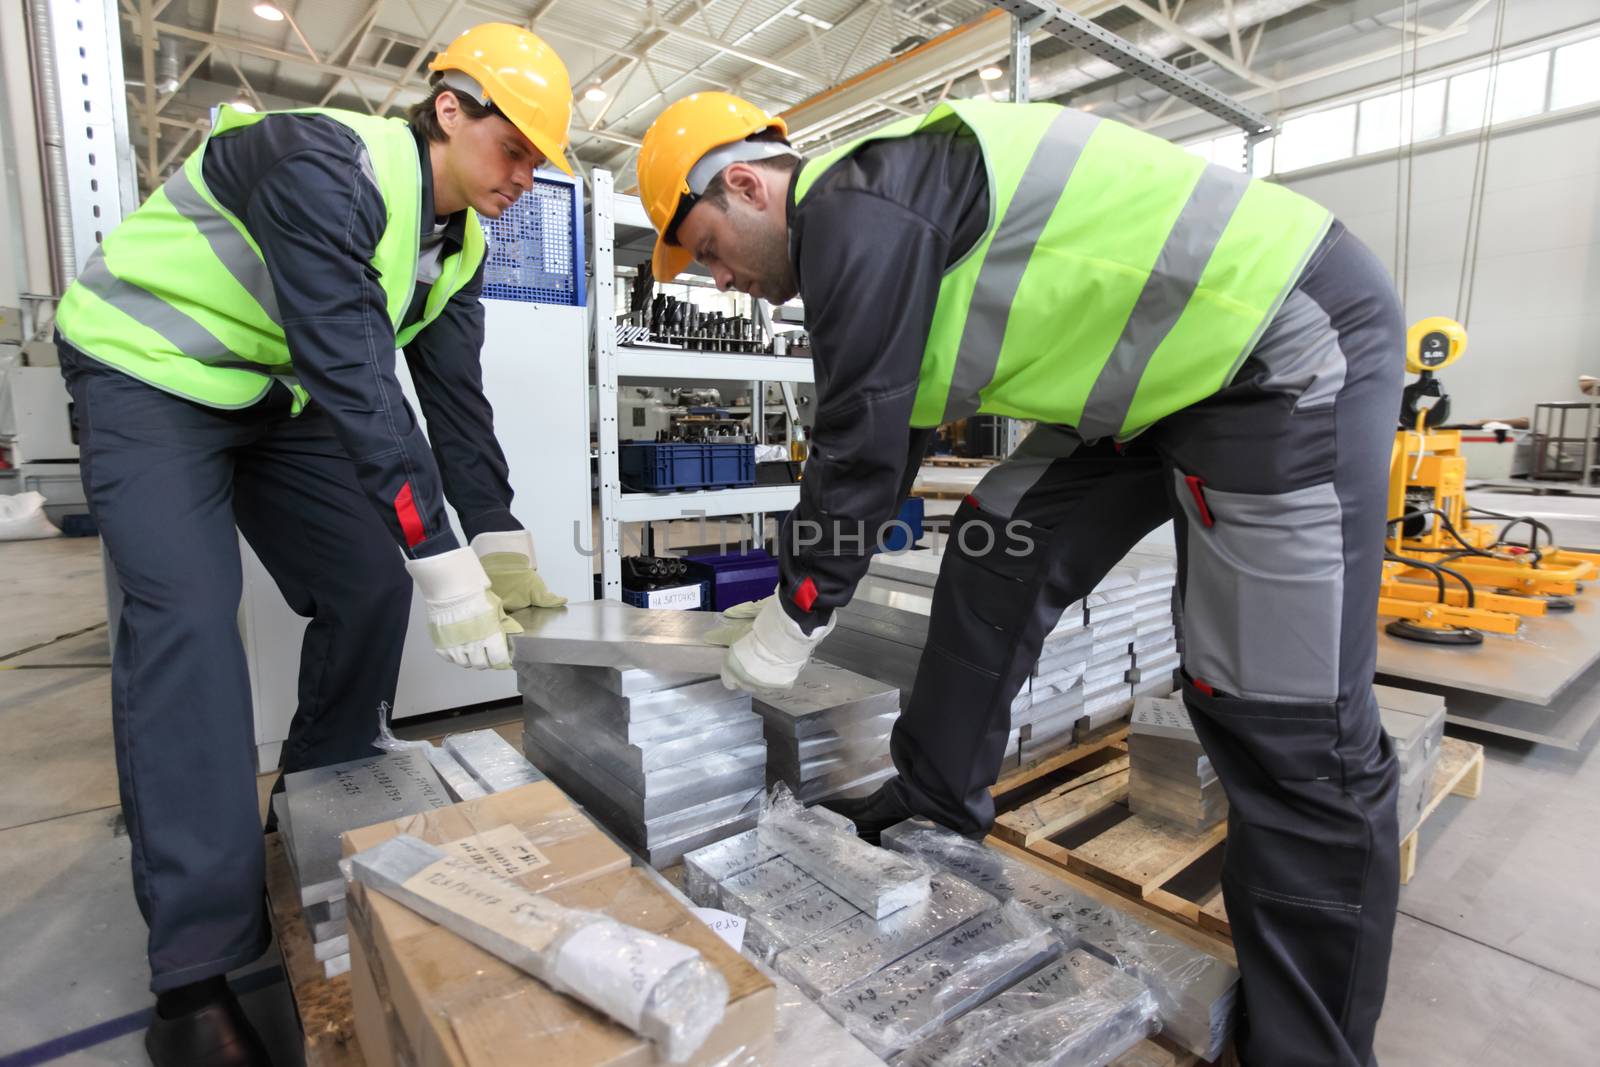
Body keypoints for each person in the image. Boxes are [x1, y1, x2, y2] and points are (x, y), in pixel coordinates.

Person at [638, 91, 1403, 1067]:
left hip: (1271, 343)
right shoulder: (884, 234)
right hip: (1145, 386)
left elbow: (856, 435)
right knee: (994, 544)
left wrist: (798, 605)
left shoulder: (857, 207)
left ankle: (1313, 1048)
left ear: (742, 183)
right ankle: (933, 807)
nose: (722, 279)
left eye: (705, 248)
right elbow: (885, 442)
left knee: (1283, 716)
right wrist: (815, 575)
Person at [52, 23, 572, 1067]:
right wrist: (439, 550)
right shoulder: (312, 162)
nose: (524, 177)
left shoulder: (455, 243)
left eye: (538, 161)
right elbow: (354, 372)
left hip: (267, 392)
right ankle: (192, 973)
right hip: (147, 371)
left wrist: (501, 537)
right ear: (451, 108)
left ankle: (318, 801)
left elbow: (454, 408)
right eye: (513, 148)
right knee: (189, 625)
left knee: (367, 583)